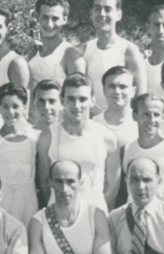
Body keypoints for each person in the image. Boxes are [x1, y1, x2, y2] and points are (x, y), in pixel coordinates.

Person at [36, 73, 120, 212]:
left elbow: (113, 185)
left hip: (94, 212)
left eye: (82, 99)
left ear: (92, 101)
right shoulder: (48, 136)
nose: (77, 105)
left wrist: (98, 213)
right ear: (62, 101)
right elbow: (44, 183)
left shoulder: (106, 137)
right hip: (59, 212)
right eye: (71, 99)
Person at [0, 83, 39, 225]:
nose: (10, 112)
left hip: (29, 204)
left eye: (16, 106)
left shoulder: (35, 137)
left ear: (25, 107)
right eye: (5, 106)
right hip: (1, 206)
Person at [83, 0, 145, 113]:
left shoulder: (129, 51)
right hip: (93, 125)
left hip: (121, 125)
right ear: (91, 14)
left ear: (119, 15)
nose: (102, 14)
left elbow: (141, 98)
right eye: (97, 8)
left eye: (108, 9)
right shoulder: (84, 49)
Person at [122, 93, 164, 204]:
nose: (151, 119)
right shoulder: (126, 150)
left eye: (156, 114)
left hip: (162, 218)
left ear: (163, 117)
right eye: (146, 114)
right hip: (131, 218)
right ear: (135, 116)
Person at [27, 0, 85, 90]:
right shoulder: (33, 51)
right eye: (45, 17)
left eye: (55, 18)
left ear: (64, 20)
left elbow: (78, 98)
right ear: (37, 17)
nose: (49, 24)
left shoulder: (71, 55)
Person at [98, 65, 139, 150]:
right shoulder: (95, 123)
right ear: (104, 90)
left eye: (123, 87)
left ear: (133, 91)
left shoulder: (142, 123)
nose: (117, 91)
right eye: (112, 86)